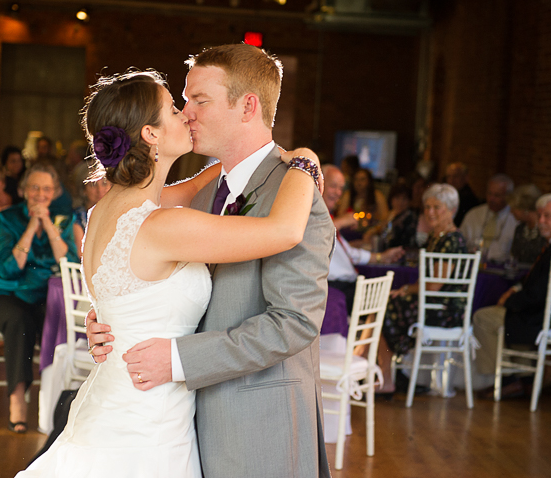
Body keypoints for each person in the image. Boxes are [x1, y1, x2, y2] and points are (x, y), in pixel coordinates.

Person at [77, 48, 333, 478]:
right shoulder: (190, 199)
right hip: (171, 423)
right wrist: (112, 319)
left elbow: (294, 322)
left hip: (256, 430)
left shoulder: (294, 194)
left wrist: (303, 159)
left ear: (247, 105)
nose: (188, 114)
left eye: (199, 101)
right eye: (180, 104)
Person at [0, 162, 79, 434]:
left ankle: (54, 403)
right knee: (19, 319)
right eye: (34, 187)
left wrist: (46, 223)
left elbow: (68, 264)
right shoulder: (8, 218)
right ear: (24, 190)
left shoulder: (63, 219)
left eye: (47, 188)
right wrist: (31, 225)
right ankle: (17, 399)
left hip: (45, 299)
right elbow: (7, 269)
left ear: (55, 192)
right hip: (7, 295)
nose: (40, 193)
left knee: (58, 320)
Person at [472, 193, 551, 387]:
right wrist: (516, 292)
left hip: (550, 319)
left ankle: (507, 379)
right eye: (540, 215)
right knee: (507, 313)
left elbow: (538, 295)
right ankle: (524, 378)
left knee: (482, 317)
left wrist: (510, 301)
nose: (541, 221)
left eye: (547, 216)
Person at [376, 183, 468, 394]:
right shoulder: (436, 237)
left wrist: (407, 289)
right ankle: (386, 375)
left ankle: (386, 377)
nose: (430, 212)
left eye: (437, 207)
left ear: (452, 210)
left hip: (445, 310)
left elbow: (434, 285)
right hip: (433, 303)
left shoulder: (452, 240)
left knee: (385, 306)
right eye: (427, 207)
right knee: (383, 304)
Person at [323, 165, 403, 315]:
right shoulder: (309, 212)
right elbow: (313, 236)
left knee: (391, 297)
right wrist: (342, 221)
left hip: (349, 285)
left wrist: (382, 257)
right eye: (333, 186)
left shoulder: (328, 218)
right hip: (334, 288)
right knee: (390, 304)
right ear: (318, 183)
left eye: (341, 188)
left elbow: (352, 253)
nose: (338, 193)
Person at [459, 174, 518, 263]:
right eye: (489, 193)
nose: (491, 199)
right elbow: (461, 242)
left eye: (497, 195)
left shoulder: (515, 218)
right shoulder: (474, 214)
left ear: (508, 196)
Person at [336, 167, 389, 233]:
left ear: (369, 181)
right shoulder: (348, 195)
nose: (359, 183)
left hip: (370, 232)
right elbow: (340, 215)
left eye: (362, 179)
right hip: (350, 231)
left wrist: (373, 231)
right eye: (356, 179)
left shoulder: (377, 196)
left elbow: (385, 219)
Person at [508, 184, 545, 265]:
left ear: (525, 209)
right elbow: (514, 256)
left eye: (514, 208)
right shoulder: (520, 229)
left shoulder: (544, 230)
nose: (511, 212)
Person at [381, 182, 419, 249]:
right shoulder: (391, 215)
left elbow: (406, 242)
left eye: (404, 199)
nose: (400, 202)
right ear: (391, 199)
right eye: (397, 198)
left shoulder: (410, 217)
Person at [446, 162, 479, 226]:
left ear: (466, 178)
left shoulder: (468, 198)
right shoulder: (447, 194)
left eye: (455, 176)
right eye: (449, 176)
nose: (451, 180)